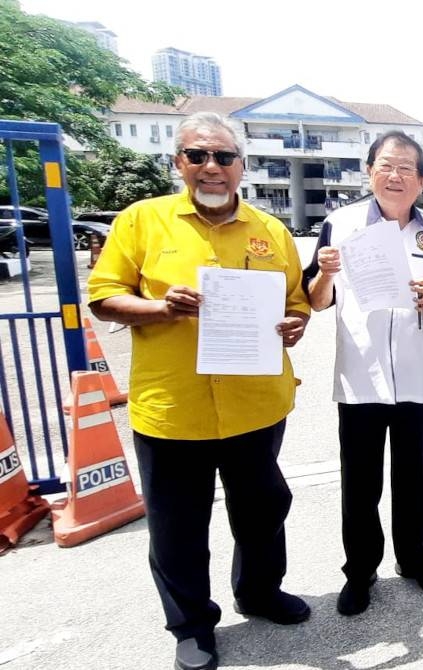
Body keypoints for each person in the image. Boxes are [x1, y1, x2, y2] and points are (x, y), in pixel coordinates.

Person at [87, 111, 311, 670]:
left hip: (255, 406)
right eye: (198, 156)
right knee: (177, 525)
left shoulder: (271, 232)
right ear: (178, 163)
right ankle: (191, 624)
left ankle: (259, 593)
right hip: (173, 408)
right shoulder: (143, 221)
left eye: (223, 157)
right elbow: (104, 296)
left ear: (241, 166)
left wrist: (295, 322)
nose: (211, 168)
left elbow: (296, 301)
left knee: (263, 510)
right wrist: (159, 308)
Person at [302, 131, 423, 616]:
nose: (395, 176)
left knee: (414, 478)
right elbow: (316, 300)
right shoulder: (340, 224)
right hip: (360, 376)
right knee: (361, 482)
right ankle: (360, 571)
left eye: (406, 169)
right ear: (370, 171)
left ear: (422, 179)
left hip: (417, 375)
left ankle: (414, 558)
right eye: (385, 166)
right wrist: (327, 273)